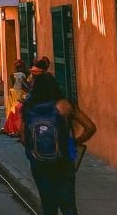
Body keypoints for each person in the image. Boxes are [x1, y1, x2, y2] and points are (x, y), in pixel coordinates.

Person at [21, 74, 97, 215]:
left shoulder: (28, 106)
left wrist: (38, 147)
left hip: (39, 162)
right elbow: (90, 127)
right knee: (68, 204)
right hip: (63, 160)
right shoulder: (65, 105)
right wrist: (76, 141)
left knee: (48, 203)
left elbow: (24, 138)